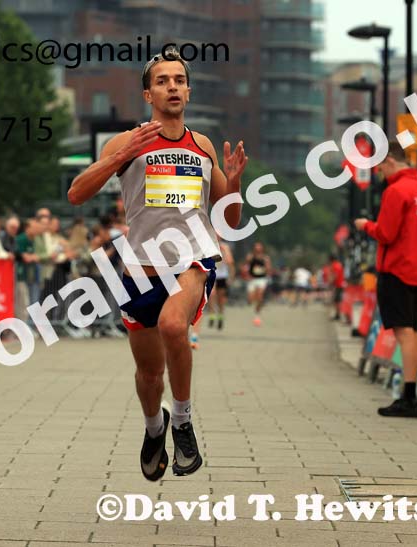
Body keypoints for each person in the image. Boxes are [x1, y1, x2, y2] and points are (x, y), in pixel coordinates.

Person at [67, 46, 247, 480]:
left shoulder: (201, 145)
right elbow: (76, 194)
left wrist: (235, 181)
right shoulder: (127, 142)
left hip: (194, 258)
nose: (172, 87)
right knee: (149, 376)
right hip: (140, 272)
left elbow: (230, 219)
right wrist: (117, 158)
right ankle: (155, 427)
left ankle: (182, 421)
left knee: (172, 326)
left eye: (179, 80)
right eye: (163, 81)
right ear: (148, 94)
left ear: (189, 91)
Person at [355, 141, 417, 418]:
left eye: (380, 167)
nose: (379, 173)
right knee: (412, 331)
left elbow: (386, 233)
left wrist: (366, 225)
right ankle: (410, 394)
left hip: (397, 267)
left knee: (403, 332)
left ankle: (409, 398)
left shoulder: (396, 191)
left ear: (389, 160)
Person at [208, 236, 234, 330]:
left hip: (222, 276)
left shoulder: (225, 247)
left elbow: (230, 261)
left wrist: (231, 277)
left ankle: (220, 316)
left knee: (221, 299)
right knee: (212, 294)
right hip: (212, 274)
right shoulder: (209, 246)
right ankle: (212, 314)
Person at [245, 242, 271, 326]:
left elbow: (268, 268)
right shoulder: (250, 257)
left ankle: (257, 315)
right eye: (256, 248)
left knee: (260, 296)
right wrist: (246, 275)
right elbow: (246, 266)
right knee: (250, 299)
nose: (258, 250)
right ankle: (254, 308)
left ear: (262, 249)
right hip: (252, 279)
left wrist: (267, 273)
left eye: (259, 248)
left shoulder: (265, 258)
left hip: (261, 279)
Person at [329, 254, 345, 321]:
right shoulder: (339, 265)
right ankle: (337, 314)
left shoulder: (335, 265)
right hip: (340, 285)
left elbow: (335, 275)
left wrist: (330, 282)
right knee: (337, 300)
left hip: (338, 285)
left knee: (337, 300)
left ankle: (338, 315)